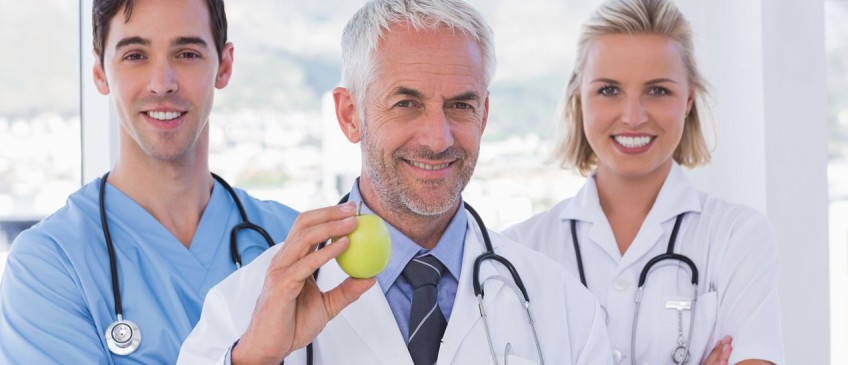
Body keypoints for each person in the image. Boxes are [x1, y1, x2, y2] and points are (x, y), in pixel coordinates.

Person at [178, 0, 613, 364]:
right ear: (350, 115)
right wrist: (255, 358)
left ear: (484, 114)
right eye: (406, 103)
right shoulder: (243, 311)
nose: (437, 138)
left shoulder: (563, 308)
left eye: (461, 105)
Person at [0, 0, 298, 363]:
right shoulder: (50, 265)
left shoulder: (291, 241)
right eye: (135, 56)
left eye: (186, 53)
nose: (162, 84)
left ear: (225, 65)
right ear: (99, 71)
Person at [502, 0, 785, 364]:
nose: (633, 116)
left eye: (658, 91)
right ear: (578, 97)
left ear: (688, 100)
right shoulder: (519, 251)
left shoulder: (738, 237)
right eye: (608, 90)